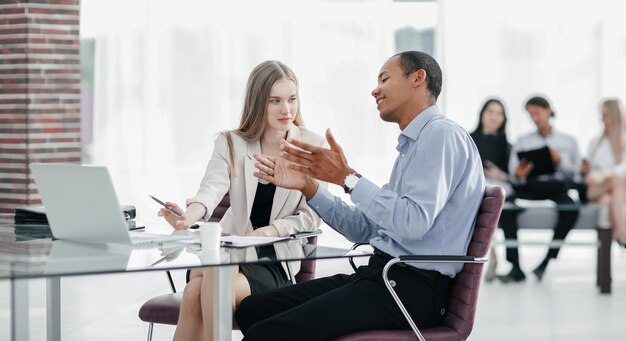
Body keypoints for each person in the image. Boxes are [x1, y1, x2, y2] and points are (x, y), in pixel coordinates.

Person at [234, 51, 485, 340]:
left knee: (269, 332)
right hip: (384, 277)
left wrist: (347, 178)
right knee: (253, 309)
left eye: (385, 78)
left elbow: (413, 223)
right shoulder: (413, 146)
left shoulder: (441, 135)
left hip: (410, 290)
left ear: (418, 78)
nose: (374, 89)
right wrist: (309, 187)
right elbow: (365, 228)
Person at [158, 60, 325, 341]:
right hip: (227, 255)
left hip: (273, 261)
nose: (286, 110)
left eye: (292, 99)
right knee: (215, 269)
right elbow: (210, 190)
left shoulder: (311, 146)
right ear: (258, 102)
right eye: (275, 101)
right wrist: (189, 217)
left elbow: (312, 214)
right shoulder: (231, 143)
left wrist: (270, 232)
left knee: (197, 292)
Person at [497, 95, 581, 283]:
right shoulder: (523, 141)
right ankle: (515, 266)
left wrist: (559, 160)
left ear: (549, 110)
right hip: (530, 186)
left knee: (571, 208)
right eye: (530, 114)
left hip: (556, 186)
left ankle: (546, 261)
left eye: (537, 113)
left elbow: (574, 175)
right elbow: (514, 176)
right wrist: (519, 173)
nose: (534, 118)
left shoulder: (569, 141)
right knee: (506, 208)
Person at [469, 98, 512, 281]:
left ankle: (489, 254)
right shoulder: (468, 139)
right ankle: (491, 253)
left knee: (490, 200)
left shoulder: (508, 145)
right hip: (476, 185)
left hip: (499, 186)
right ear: (482, 114)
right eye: (490, 111)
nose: (494, 116)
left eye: (499, 113)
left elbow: (514, 177)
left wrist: (499, 174)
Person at [582, 99, 626, 246]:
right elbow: (590, 172)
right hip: (596, 190)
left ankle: (615, 241)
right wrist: (585, 170)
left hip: (614, 193)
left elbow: (623, 169)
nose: (602, 119)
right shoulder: (595, 143)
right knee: (618, 181)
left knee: (607, 200)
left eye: (605, 115)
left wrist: (602, 175)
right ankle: (623, 236)